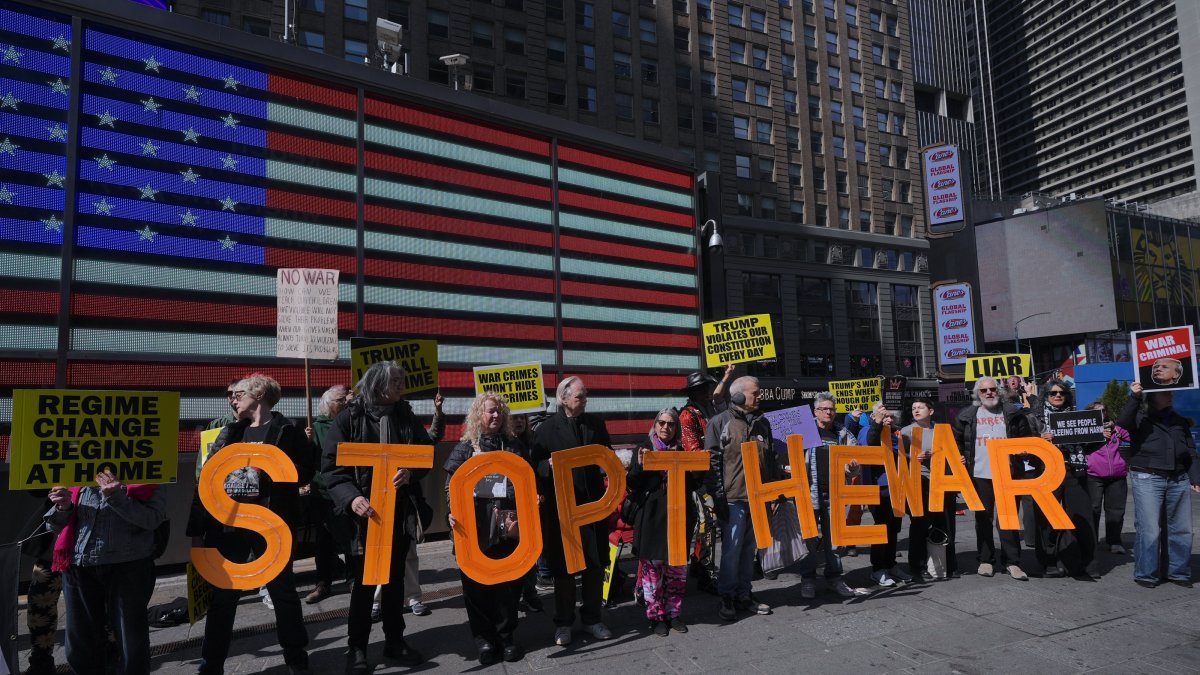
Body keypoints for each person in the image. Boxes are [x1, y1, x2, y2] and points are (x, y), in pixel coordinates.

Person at [186, 373, 314, 675]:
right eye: (231, 394)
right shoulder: (229, 432)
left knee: (283, 594)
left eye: (238, 393)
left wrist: (277, 467)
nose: (232, 398)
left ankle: (296, 658)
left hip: (271, 525)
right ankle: (212, 664)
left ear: (258, 394)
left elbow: (307, 473)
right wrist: (197, 530)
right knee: (223, 597)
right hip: (229, 525)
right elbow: (207, 481)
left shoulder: (287, 430)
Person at [322, 361, 431, 673]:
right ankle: (356, 648)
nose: (401, 386)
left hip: (398, 516)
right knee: (364, 585)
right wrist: (352, 497)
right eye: (395, 381)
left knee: (395, 581)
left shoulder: (405, 416)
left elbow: (425, 456)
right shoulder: (349, 419)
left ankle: (395, 641)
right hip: (362, 520)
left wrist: (411, 472)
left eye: (402, 380)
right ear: (378, 384)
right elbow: (331, 468)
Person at [45, 471, 167, 675]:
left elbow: (154, 519)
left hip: (128, 566)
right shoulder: (78, 472)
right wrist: (62, 507)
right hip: (80, 564)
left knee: (131, 644)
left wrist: (117, 498)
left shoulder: (146, 470)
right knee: (80, 644)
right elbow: (54, 525)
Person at [444, 392, 532, 664]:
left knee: (508, 585)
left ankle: (506, 638)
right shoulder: (465, 448)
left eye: (499, 412)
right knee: (475, 587)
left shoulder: (514, 446)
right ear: (478, 415)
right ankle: (483, 641)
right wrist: (451, 511)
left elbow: (527, 483)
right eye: (490, 411)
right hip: (474, 528)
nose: (495, 416)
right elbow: (450, 486)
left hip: (509, 527)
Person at [531, 377, 615, 646]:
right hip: (562, 511)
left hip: (593, 508)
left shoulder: (596, 424)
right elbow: (534, 466)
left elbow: (608, 458)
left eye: (585, 395)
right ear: (564, 398)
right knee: (564, 571)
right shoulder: (545, 430)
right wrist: (549, 466)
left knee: (593, 565)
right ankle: (563, 623)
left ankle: (592, 619)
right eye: (580, 396)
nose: (585, 399)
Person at [705, 375, 778, 619]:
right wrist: (718, 497)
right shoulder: (719, 422)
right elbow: (712, 462)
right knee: (731, 550)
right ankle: (727, 595)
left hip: (757, 498)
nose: (759, 396)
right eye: (755, 392)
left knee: (749, 550)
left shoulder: (763, 423)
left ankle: (744, 593)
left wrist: (774, 492)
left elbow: (769, 459)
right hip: (733, 498)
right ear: (737, 395)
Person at [951, 377, 1036, 581]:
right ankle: (985, 560)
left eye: (992, 389)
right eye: (984, 391)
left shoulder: (1014, 414)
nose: (988, 393)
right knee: (983, 519)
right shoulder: (966, 416)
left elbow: (1027, 440)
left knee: (1008, 519)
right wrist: (959, 455)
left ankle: (1012, 562)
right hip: (980, 474)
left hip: (1008, 474)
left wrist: (1023, 453)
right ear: (977, 394)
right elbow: (956, 442)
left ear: (999, 391)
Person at [1117, 382, 1200, 588]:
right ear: (1152, 396)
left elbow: (1189, 450)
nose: (1170, 395)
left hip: (1178, 478)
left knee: (1182, 528)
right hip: (1148, 477)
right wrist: (1135, 397)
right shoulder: (1140, 417)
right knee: (1150, 528)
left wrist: (1195, 477)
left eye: (1171, 391)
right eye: (1165, 392)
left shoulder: (1179, 420)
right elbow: (1123, 422)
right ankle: (1147, 573)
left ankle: (1178, 572)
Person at [629, 408, 700, 636]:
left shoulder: (682, 450)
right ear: (655, 424)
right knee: (653, 571)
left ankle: (674, 614)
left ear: (676, 428)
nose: (665, 428)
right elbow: (632, 483)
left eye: (671, 424)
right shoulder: (644, 448)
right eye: (662, 423)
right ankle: (656, 616)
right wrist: (640, 466)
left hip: (679, 517)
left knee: (677, 569)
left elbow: (695, 483)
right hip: (652, 519)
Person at [797, 392, 870, 600]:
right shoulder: (802, 431)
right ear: (815, 411)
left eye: (831, 409)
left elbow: (854, 464)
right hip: (808, 495)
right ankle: (808, 580)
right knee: (808, 540)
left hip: (835, 496)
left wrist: (852, 468)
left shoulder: (843, 434)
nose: (828, 412)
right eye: (824, 409)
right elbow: (786, 455)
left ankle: (835, 578)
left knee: (835, 541)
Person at [1029, 380, 1100, 579]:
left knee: (1081, 517)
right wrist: (1040, 440)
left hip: (1074, 471)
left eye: (1062, 393)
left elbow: (1088, 445)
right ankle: (1050, 562)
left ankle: (1084, 563)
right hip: (1046, 471)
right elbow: (1024, 443)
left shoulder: (1078, 416)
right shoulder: (1035, 417)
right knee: (1047, 519)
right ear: (1046, 396)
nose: (1058, 396)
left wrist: (1097, 436)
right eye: (1053, 393)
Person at [678, 365, 733, 593]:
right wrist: (719, 451)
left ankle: (699, 565)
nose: (707, 391)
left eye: (707, 387)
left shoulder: (710, 409)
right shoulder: (687, 415)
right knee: (707, 524)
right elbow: (692, 451)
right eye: (702, 388)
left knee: (708, 524)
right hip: (699, 479)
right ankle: (707, 574)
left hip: (715, 474)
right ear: (693, 392)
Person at [899, 399, 955, 580]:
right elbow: (898, 455)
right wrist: (913, 457)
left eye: (920, 407)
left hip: (940, 482)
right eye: (913, 408)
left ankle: (944, 564)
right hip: (919, 482)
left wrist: (956, 459)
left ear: (930, 411)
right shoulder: (907, 431)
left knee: (942, 522)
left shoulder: (942, 430)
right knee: (919, 523)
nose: (916, 410)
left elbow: (951, 451)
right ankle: (918, 565)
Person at [305, 384, 350, 604]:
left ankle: (354, 580)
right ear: (329, 404)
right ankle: (322, 583)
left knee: (352, 539)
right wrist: (307, 442)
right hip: (322, 492)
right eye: (341, 400)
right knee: (323, 541)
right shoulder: (316, 428)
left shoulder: (352, 423)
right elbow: (308, 461)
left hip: (347, 489)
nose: (345, 403)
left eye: (346, 399)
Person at [864, 403, 912, 587]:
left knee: (893, 530)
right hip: (880, 491)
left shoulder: (896, 435)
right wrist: (877, 421)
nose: (889, 419)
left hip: (897, 489)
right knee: (881, 530)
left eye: (891, 416)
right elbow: (871, 442)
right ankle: (877, 569)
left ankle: (891, 565)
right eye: (885, 416)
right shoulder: (869, 431)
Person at [1084, 401, 1130, 554]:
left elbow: (1132, 436)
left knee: (1116, 510)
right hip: (1093, 475)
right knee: (1093, 509)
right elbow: (1079, 443)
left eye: (1103, 411)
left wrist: (1118, 429)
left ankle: (1114, 541)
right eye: (1096, 411)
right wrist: (1096, 434)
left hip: (1117, 476)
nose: (1101, 414)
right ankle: (1091, 541)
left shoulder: (1115, 428)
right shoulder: (1085, 429)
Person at [510, 413, 545, 613]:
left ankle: (530, 594)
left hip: (530, 504)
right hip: (510, 507)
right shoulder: (505, 444)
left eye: (522, 418)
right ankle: (514, 596)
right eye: (515, 419)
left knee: (530, 552)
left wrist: (539, 493)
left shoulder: (533, 443)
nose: (520, 422)